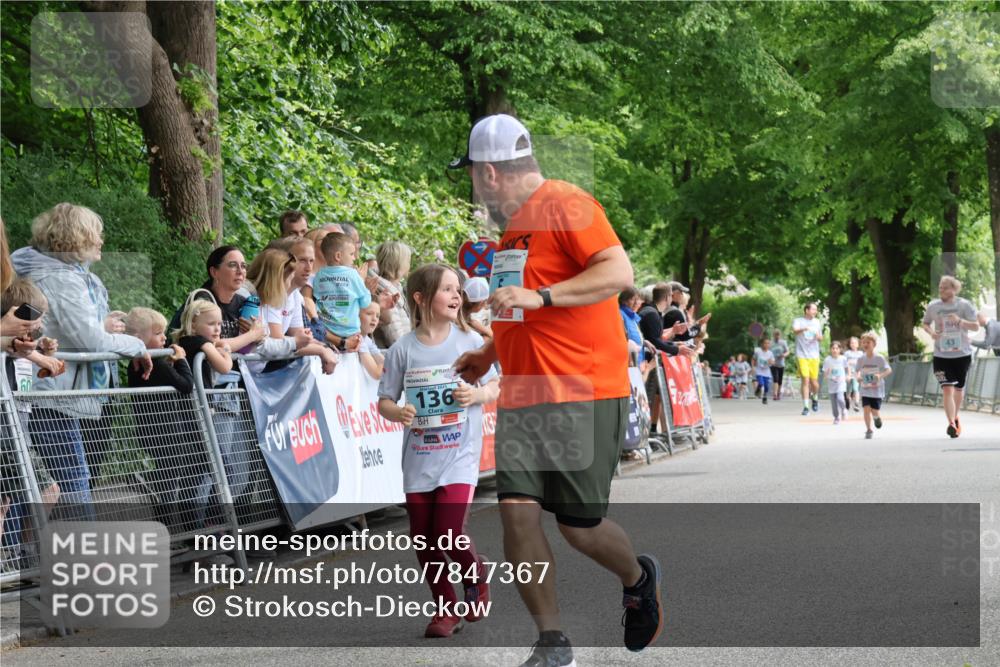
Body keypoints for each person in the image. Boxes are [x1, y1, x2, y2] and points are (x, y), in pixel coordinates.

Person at [450, 114, 663, 666]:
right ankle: (552, 642)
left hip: (584, 390)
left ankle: (638, 577)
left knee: (579, 527)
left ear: (490, 172)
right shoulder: (511, 231)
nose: (472, 185)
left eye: (472, 175)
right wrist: (489, 353)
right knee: (516, 512)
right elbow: (516, 308)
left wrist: (540, 297)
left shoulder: (566, 203)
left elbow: (617, 272)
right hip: (524, 393)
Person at [378, 264, 500, 638]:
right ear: (420, 298)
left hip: (458, 455)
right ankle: (446, 609)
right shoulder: (402, 349)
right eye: (447, 289)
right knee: (423, 538)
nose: (456, 296)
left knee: (447, 531)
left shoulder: (467, 342)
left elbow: (495, 388)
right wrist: (398, 412)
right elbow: (384, 400)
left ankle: (475, 575)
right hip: (419, 457)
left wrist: (475, 394)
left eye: (457, 290)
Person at [10, 203, 152, 521]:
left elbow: (83, 330)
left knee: (35, 481)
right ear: (77, 239)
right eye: (96, 234)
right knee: (70, 480)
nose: (101, 240)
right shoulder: (61, 279)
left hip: (54, 391)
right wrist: (137, 344)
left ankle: (32, 556)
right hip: (51, 394)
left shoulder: (71, 276)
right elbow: (91, 340)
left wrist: (103, 322)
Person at [124, 307, 215, 532]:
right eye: (157, 333)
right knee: (171, 478)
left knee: (170, 476)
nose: (164, 337)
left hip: (152, 430)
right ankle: (175, 525)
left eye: (163, 332)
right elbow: (186, 384)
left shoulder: (138, 364)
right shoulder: (155, 363)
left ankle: (168, 523)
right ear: (139, 339)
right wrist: (182, 360)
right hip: (166, 431)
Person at [245, 247, 338, 374]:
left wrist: (321, 346)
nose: (290, 283)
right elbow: (276, 343)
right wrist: (318, 349)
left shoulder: (291, 296)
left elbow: (297, 337)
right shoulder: (258, 302)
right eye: (289, 277)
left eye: (311, 261)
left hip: (259, 368)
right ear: (277, 278)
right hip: (252, 370)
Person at [168, 245, 266, 353]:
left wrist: (259, 335)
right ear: (214, 272)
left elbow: (258, 338)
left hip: (231, 367)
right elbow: (212, 345)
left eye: (243, 266)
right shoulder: (202, 301)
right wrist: (252, 335)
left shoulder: (242, 302)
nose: (240, 271)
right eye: (233, 265)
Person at [921, 276, 979, 438]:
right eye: (940, 287)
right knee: (947, 388)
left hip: (962, 354)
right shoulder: (933, 306)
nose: (941, 290)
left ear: (954, 289)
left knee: (958, 389)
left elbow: (975, 325)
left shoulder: (964, 305)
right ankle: (951, 423)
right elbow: (925, 323)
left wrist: (960, 321)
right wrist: (932, 333)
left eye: (944, 287)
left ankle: (955, 417)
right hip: (941, 354)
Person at [313, 232, 370, 352]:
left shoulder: (318, 275)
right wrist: (362, 281)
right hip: (350, 332)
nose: (354, 258)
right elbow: (365, 302)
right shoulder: (353, 275)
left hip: (327, 332)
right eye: (351, 254)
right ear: (338, 256)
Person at [373, 241, 413, 350]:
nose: (409, 264)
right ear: (398, 263)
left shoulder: (395, 289)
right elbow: (395, 338)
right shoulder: (386, 293)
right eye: (408, 261)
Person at [857, 332, 891, 440]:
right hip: (865, 388)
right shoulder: (861, 359)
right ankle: (868, 430)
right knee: (866, 408)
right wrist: (858, 377)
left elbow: (888, 370)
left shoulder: (879, 358)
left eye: (868, 342)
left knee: (874, 410)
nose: (866, 344)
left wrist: (880, 376)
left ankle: (876, 418)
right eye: (863, 342)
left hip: (876, 389)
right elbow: (856, 371)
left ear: (874, 344)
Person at [793, 302, 824, 415]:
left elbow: (821, 338)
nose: (815, 312)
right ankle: (806, 407)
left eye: (816, 310)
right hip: (801, 355)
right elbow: (795, 331)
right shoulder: (798, 321)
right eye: (813, 309)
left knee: (814, 383)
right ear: (807, 310)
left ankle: (815, 398)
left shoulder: (817, 322)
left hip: (814, 356)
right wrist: (804, 329)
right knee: (805, 380)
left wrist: (818, 337)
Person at [822, 341, 849, 425]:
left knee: (840, 398)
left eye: (837, 348)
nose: (835, 350)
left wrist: (848, 375)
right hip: (831, 384)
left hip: (841, 383)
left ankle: (844, 409)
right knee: (834, 404)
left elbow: (847, 368)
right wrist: (827, 373)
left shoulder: (843, 358)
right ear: (830, 349)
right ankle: (836, 417)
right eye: (833, 348)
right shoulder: (827, 360)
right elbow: (825, 374)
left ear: (840, 349)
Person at [358, 302, 384, 381]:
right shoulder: (357, 339)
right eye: (369, 314)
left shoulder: (366, 339)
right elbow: (376, 373)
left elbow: (381, 359)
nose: (374, 319)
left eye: (377, 316)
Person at [462, 276, 493, 343]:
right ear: (481, 303)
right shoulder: (467, 325)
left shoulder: (462, 316)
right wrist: (486, 332)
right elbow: (492, 336)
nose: (485, 306)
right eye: (485, 301)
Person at [618, 287, 645, 360]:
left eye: (638, 299)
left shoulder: (632, 316)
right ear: (624, 300)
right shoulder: (621, 314)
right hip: (630, 361)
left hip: (637, 360)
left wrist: (645, 342)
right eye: (633, 299)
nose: (636, 302)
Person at [843, 336, 863, 412]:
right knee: (849, 390)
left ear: (858, 344)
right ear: (850, 344)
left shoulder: (860, 353)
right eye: (852, 343)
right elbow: (844, 364)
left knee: (856, 388)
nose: (853, 344)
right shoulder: (847, 353)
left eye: (855, 343)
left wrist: (859, 374)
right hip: (848, 375)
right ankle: (847, 402)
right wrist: (847, 374)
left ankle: (857, 404)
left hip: (856, 374)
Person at [768, 330, 789, 401]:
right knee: (775, 379)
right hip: (773, 364)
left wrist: (784, 355)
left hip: (781, 364)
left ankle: (779, 393)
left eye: (778, 335)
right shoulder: (770, 343)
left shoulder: (783, 342)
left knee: (780, 380)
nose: (777, 336)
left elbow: (787, 351)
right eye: (775, 335)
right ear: (773, 335)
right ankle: (775, 394)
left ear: (780, 335)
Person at [753, 339, 774, 405]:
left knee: (766, 386)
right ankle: (758, 389)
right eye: (765, 343)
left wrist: (771, 362)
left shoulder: (770, 353)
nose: (766, 345)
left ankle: (764, 397)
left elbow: (773, 361)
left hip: (767, 371)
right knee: (761, 383)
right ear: (762, 344)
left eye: (768, 343)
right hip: (759, 371)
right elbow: (753, 359)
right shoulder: (758, 352)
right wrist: (753, 367)